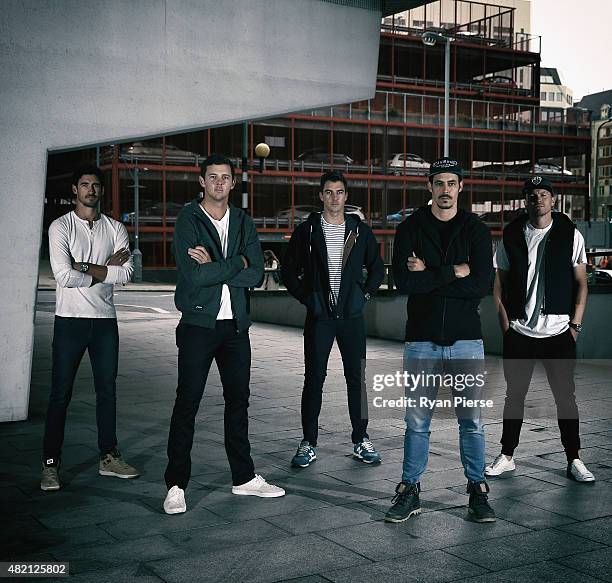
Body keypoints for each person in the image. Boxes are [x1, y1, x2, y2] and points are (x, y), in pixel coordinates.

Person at [163, 154, 285, 514]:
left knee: (238, 402)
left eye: (225, 178)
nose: (219, 183)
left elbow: (256, 273)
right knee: (188, 403)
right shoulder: (189, 219)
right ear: (201, 181)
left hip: (235, 328)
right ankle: (175, 485)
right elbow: (194, 275)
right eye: (212, 177)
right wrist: (237, 264)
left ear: (233, 183)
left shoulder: (243, 221)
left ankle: (243, 478)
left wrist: (218, 267)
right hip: (198, 326)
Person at [385, 157, 496, 523]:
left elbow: (481, 284)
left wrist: (430, 273)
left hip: (466, 339)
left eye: (452, 183)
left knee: (472, 421)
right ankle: (409, 490)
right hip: (422, 339)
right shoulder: (411, 228)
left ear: (461, 187)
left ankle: (477, 491)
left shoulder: (476, 230)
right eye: (439, 183)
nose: (445, 190)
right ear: (429, 187)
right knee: (417, 421)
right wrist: (452, 271)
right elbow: (404, 282)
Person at [485, 176, 595, 483]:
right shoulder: (511, 234)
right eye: (533, 195)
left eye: (544, 194)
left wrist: (575, 326)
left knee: (566, 398)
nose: (539, 200)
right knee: (514, 396)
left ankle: (574, 458)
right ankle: (507, 456)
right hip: (520, 332)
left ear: (553, 200)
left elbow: (582, 284)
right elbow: (499, 284)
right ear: (526, 200)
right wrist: (506, 325)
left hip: (559, 333)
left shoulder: (569, 234)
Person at [41, 164, 139, 491]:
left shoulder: (116, 228)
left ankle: (108, 457)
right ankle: (51, 464)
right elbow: (63, 276)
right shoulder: (60, 227)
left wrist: (83, 267)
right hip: (69, 321)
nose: (90, 191)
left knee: (107, 391)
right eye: (84, 185)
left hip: (105, 322)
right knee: (60, 394)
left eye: (95, 185)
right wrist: (102, 269)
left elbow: (126, 274)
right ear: (75, 190)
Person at [282, 170, 385, 468]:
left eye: (339, 192)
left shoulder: (359, 230)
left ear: (346, 196)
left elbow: (377, 269)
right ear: (321, 196)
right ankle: (308, 443)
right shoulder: (308, 230)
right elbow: (288, 271)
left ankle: (361, 440)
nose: (334, 197)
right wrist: (308, 298)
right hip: (321, 318)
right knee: (314, 379)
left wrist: (363, 296)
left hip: (351, 317)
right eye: (329, 192)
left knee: (358, 379)